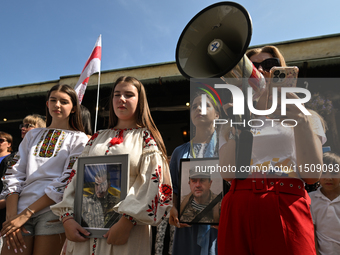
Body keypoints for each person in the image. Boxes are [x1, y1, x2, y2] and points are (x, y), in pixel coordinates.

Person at [217, 45, 327, 255]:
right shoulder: (235, 117)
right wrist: (241, 120)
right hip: (239, 202)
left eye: (270, 65)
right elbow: (228, 172)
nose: (263, 72)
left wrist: (301, 120)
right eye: (253, 67)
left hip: (286, 201)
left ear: (282, 71)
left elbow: (312, 175)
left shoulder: (306, 115)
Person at [50, 76, 172, 255]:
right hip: (84, 230)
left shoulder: (146, 139)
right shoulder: (96, 138)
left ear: (140, 101)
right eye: (117, 94)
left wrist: (126, 222)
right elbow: (75, 178)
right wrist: (67, 218)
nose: (121, 99)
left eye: (129, 95)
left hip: (126, 233)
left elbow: (153, 184)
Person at [0, 84, 88, 255]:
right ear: (47, 104)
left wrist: (26, 214)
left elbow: (68, 180)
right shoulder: (33, 135)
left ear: (74, 108)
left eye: (64, 101)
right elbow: (14, 173)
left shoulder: (79, 139)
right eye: (53, 100)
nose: (57, 105)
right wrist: (12, 217)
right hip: (19, 209)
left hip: (53, 211)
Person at [169, 92, 220, 255]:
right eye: (194, 106)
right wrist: (173, 208)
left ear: (217, 114)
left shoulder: (227, 148)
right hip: (186, 230)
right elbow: (172, 188)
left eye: (205, 105)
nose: (199, 108)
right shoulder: (179, 152)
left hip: (218, 228)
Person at [0, 116, 46, 251]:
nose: (24, 128)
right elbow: (10, 182)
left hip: (40, 209)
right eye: (23, 125)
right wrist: (12, 216)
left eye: (29, 125)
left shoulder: (46, 156)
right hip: (13, 208)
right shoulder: (12, 158)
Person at [309, 152, 340, 255]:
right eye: (324, 173)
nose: (328, 178)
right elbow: (312, 232)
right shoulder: (311, 199)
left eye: (334, 173)